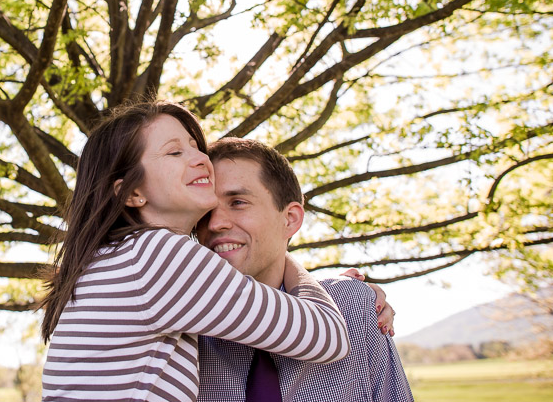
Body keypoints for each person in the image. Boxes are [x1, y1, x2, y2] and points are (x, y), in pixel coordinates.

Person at [39, 101, 350, 402]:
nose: (201, 158)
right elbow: (329, 335)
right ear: (132, 193)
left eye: (194, 146)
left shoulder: (120, 259)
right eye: (175, 152)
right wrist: (291, 262)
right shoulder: (157, 257)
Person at [196, 138, 414, 402]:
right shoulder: (184, 330)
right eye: (205, 211)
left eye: (238, 202)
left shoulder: (351, 307)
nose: (215, 223)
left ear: (290, 218)